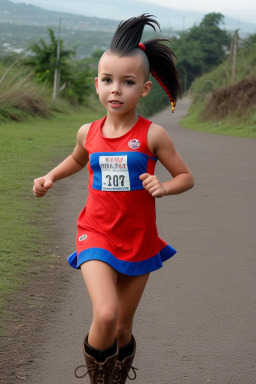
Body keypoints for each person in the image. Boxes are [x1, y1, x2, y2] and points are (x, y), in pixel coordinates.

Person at [33, 14, 194, 384]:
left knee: (122, 328)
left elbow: (186, 176)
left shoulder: (153, 135)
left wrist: (163, 186)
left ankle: (117, 374)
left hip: (139, 239)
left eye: (127, 82)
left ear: (145, 89)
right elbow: (78, 159)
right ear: (97, 84)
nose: (116, 90)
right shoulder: (87, 132)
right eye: (108, 81)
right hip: (96, 234)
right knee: (104, 314)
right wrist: (50, 177)